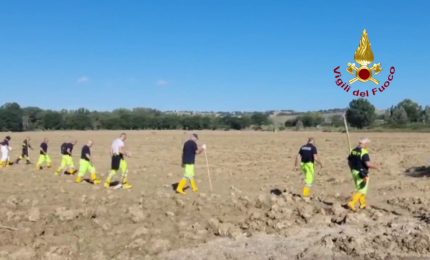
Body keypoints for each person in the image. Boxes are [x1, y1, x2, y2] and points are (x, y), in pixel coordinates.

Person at [347, 138, 379, 211]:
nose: (368, 146)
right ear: (365, 144)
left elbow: (349, 161)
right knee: (362, 190)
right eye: (367, 144)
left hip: (354, 172)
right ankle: (352, 203)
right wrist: (376, 167)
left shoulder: (353, 150)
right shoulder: (364, 152)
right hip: (362, 173)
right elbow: (368, 164)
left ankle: (363, 204)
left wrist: (351, 170)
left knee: (361, 189)